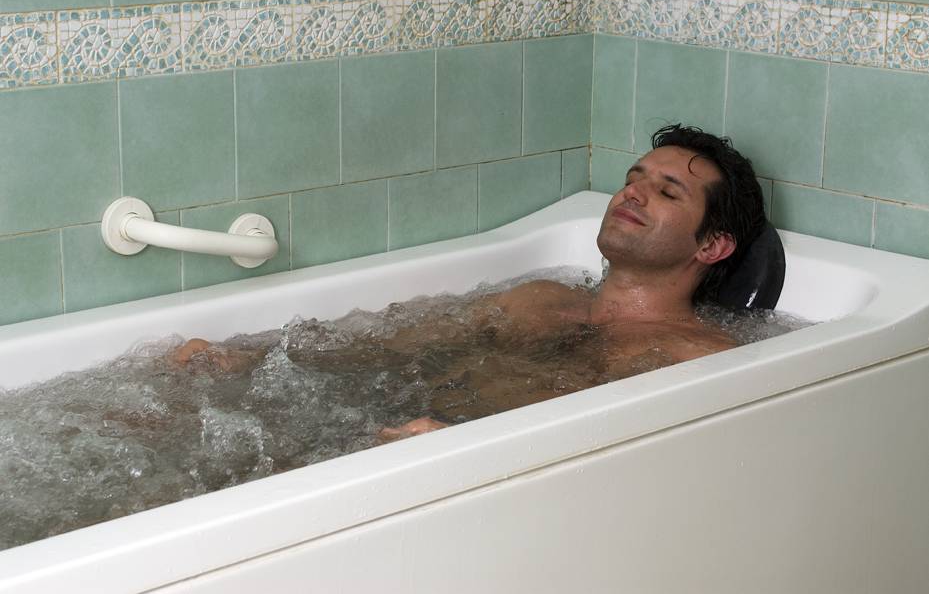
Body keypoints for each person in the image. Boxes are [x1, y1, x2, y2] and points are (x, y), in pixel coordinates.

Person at [171, 124, 768, 441]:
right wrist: (250, 359)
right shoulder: (540, 299)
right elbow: (383, 346)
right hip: (394, 431)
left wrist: (459, 446)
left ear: (712, 245)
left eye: (666, 192)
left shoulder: (699, 358)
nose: (632, 193)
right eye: (633, 179)